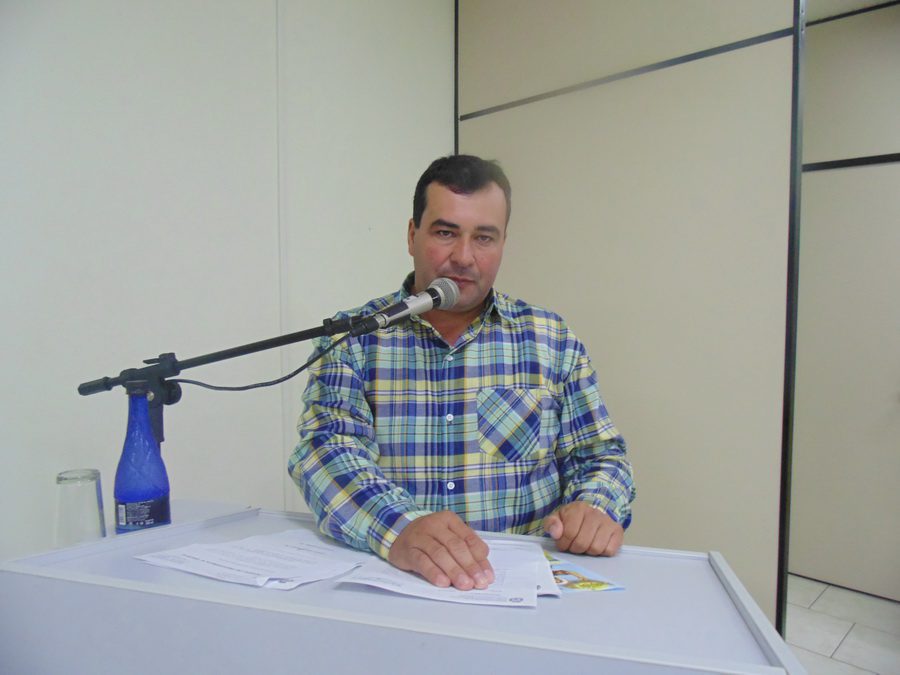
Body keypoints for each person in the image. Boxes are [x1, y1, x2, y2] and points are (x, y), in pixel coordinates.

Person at [289, 155, 635, 591]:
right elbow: (325, 453)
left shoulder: (551, 339)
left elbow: (601, 457)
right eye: (445, 233)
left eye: (484, 238)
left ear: (503, 243)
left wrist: (594, 507)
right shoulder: (354, 338)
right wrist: (401, 528)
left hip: (524, 591)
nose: (464, 257)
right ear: (412, 235)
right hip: (401, 585)